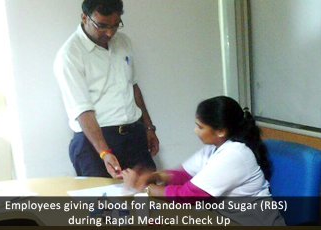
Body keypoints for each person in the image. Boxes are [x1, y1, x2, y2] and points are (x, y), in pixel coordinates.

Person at [122, 96, 286, 226]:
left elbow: (189, 195)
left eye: (200, 127)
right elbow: (183, 174)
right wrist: (154, 177)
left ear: (220, 131)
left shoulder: (235, 155)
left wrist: (147, 188)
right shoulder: (213, 148)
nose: (195, 131)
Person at [54, 0, 158, 178]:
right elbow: (82, 110)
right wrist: (104, 152)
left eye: (115, 25)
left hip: (133, 135)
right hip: (95, 142)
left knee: (146, 198)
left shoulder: (123, 42)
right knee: (105, 203)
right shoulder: (70, 55)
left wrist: (148, 128)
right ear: (84, 18)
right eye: (102, 26)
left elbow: (132, 87)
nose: (109, 33)